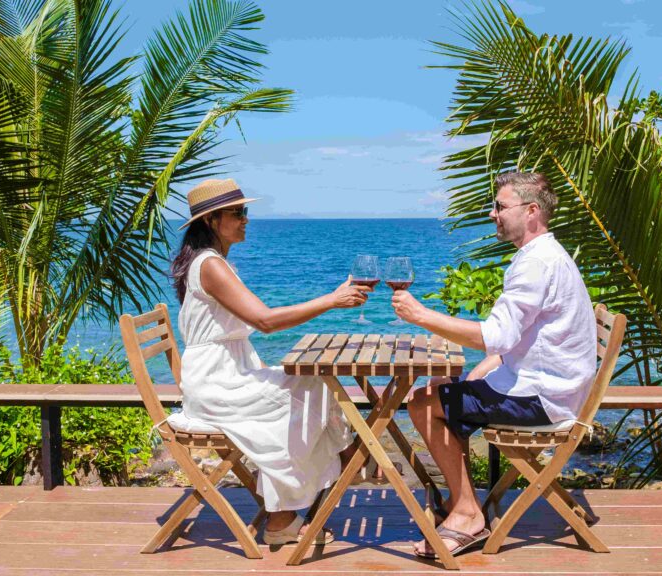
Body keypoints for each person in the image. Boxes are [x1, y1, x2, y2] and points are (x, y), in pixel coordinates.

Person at [391, 171, 597, 558]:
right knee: (438, 393)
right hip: (552, 386)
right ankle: (462, 501)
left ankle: (468, 513)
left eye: (500, 206)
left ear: (532, 210)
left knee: (422, 403)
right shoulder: (547, 255)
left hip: (542, 398)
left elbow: (498, 336)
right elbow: (521, 336)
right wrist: (492, 363)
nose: (493, 214)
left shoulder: (535, 263)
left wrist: (420, 315)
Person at [170, 178, 372, 545]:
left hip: (228, 373)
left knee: (314, 383)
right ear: (212, 220)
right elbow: (265, 321)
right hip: (217, 384)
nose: (247, 219)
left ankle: (344, 462)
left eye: (245, 211)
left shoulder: (213, 262)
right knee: (305, 391)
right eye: (238, 212)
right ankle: (332, 475)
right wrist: (331, 300)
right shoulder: (210, 265)